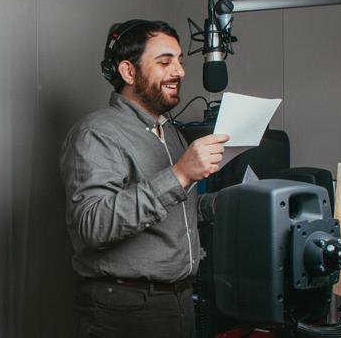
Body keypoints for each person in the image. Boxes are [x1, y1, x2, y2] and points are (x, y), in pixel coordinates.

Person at [59, 19, 230, 338]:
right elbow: (93, 225)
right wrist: (180, 174)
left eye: (180, 60)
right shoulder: (96, 133)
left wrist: (225, 204)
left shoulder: (172, 134)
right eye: (165, 62)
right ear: (128, 71)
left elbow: (176, 207)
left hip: (179, 302)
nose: (178, 71)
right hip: (124, 310)